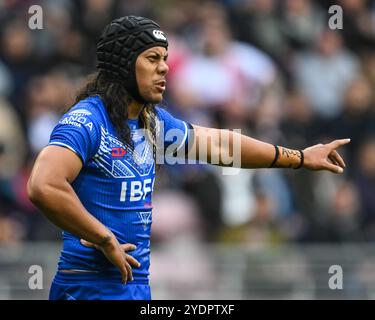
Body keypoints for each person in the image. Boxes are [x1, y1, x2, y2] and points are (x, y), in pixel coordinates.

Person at [27, 16, 350, 300]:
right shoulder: (87, 121)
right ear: (123, 64)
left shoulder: (151, 124)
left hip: (133, 282)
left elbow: (222, 146)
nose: (164, 67)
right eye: (152, 58)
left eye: (165, 58)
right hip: (89, 286)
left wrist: (299, 157)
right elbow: (44, 186)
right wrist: (104, 238)